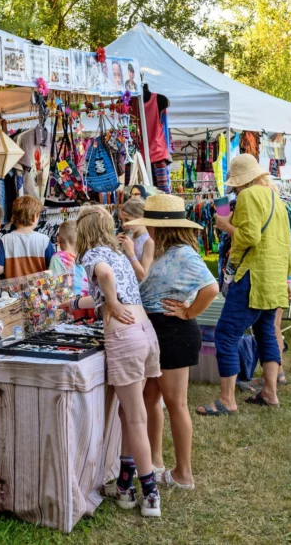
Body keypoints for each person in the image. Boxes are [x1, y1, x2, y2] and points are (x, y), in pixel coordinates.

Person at [72, 205, 162, 517]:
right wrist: (81, 302)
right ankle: (125, 483)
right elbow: (104, 289)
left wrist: (110, 301)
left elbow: (105, 280)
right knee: (129, 413)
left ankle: (150, 492)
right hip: (144, 332)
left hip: (125, 337)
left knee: (135, 417)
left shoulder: (93, 256)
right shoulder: (120, 255)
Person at [126, 195, 219, 490]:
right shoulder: (163, 250)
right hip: (156, 329)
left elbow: (212, 288)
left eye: (150, 225)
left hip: (174, 331)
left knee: (175, 403)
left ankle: (184, 474)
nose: (147, 230)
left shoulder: (183, 254)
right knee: (150, 399)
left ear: (160, 227)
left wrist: (189, 311)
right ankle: (155, 462)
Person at [196, 154, 291, 415]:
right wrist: (286, 276)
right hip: (272, 277)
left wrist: (226, 225)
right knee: (266, 333)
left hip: (252, 276)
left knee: (226, 334)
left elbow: (249, 236)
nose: (234, 189)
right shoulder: (276, 199)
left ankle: (227, 400)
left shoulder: (249, 197)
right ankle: (270, 392)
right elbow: (286, 243)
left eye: (234, 184)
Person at [0, 196, 54, 279]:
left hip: (12, 291)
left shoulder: (5, 240)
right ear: (33, 218)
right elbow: (53, 269)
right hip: (37, 290)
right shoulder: (44, 240)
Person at [118, 198, 154, 282]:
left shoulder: (148, 241)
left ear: (141, 218)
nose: (123, 224)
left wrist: (131, 253)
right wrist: (116, 246)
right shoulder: (130, 236)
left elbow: (144, 277)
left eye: (127, 220)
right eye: (122, 220)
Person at [49, 219, 88, 296]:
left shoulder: (57, 258)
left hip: (68, 304)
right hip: (85, 303)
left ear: (58, 240)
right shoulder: (85, 257)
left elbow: (54, 285)